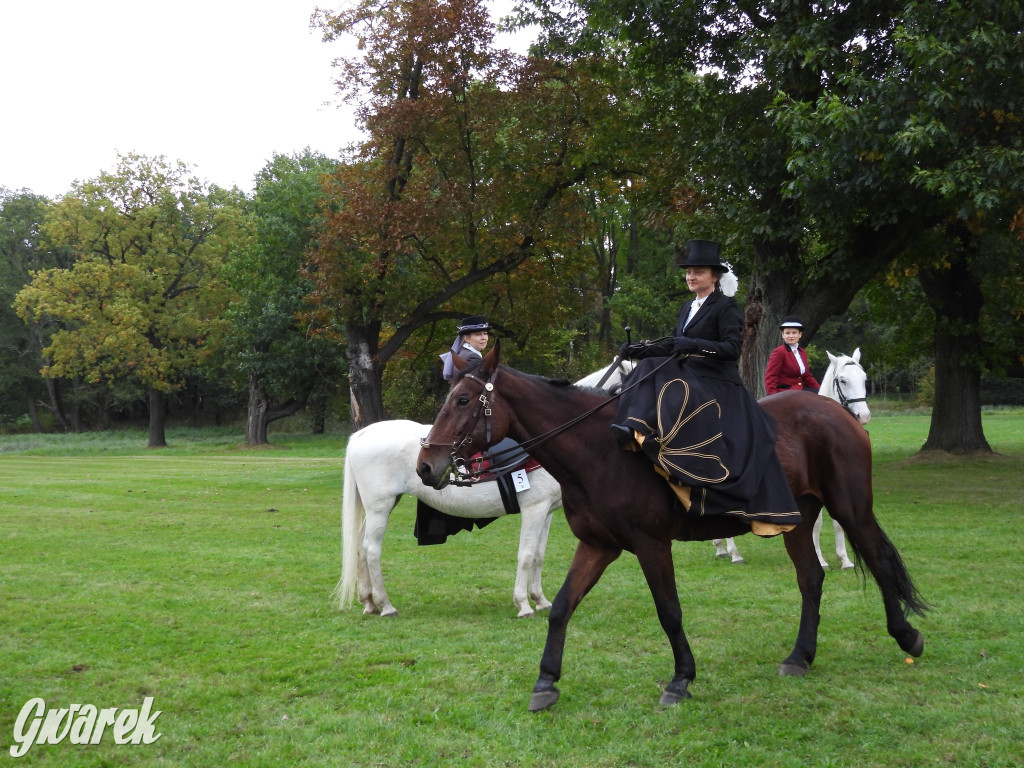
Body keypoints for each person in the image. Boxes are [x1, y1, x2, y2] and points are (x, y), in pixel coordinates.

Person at [610, 239, 801, 534]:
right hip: (690, 374)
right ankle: (634, 429)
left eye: (697, 272)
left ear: (714, 276)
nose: (690, 277)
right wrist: (639, 350)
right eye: (688, 272)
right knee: (648, 365)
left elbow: (732, 348)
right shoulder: (686, 307)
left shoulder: (725, 306)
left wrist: (694, 344)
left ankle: (643, 432)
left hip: (717, 379)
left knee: (661, 378)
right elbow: (673, 347)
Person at [764, 316, 821, 395]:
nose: (791, 336)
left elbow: (807, 376)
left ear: (800, 334)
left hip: (800, 390)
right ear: (783, 335)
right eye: (787, 333)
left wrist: (821, 390)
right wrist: (773, 398)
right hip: (785, 393)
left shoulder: (802, 352)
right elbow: (771, 377)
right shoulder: (779, 352)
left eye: (794, 333)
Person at [440, 316, 491, 382]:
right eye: (478, 334)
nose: (483, 338)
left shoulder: (463, 354)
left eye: (485, 334)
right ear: (466, 338)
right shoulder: (472, 357)